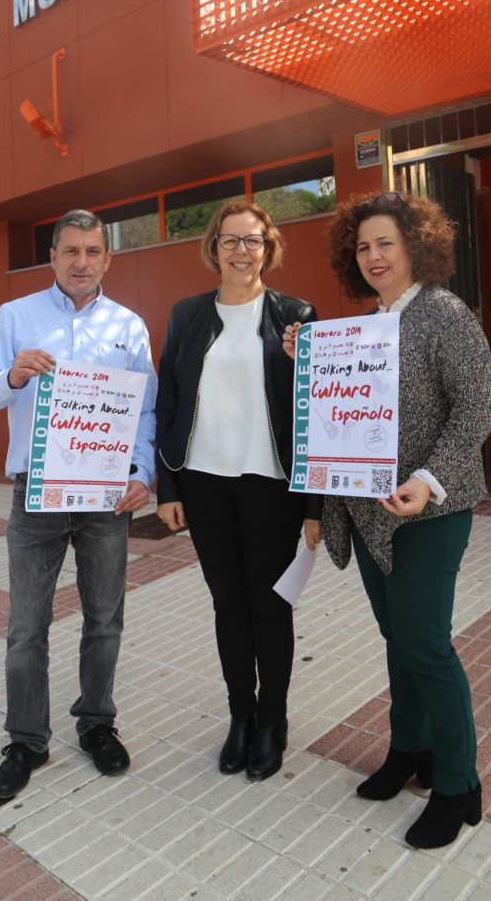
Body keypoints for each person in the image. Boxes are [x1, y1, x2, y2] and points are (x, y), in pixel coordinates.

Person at [291, 190, 491, 850]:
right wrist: (310, 361)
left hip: (431, 512)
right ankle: (412, 751)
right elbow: (334, 422)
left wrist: (426, 479)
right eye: (362, 246)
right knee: (398, 639)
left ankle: (459, 784)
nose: (374, 256)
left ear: (416, 245)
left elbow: (474, 409)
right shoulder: (362, 329)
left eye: (386, 242)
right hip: (371, 514)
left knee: (427, 645)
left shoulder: (444, 313)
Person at [0, 209, 156, 800]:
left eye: (92, 252)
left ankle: (97, 723)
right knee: (27, 625)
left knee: (105, 619)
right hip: (38, 494)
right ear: (52, 257)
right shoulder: (15, 316)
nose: (81, 262)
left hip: (105, 497)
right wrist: (13, 378)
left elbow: (147, 412)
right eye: (70, 251)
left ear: (107, 258)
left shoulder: (131, 326)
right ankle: (26, 739)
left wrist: (144, 473)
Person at [155, 200, 318, 781]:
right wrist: (167, 486)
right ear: (213, 247)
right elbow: (167, 402)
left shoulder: (296, 315)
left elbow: (316, 412)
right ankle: (240, 718)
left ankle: (273, 721)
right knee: (229, 606)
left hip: (271, 486)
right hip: (204, 485)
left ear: (268, 248)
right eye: (231, 241)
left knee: (270, 607)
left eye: (253, 241)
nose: (242, 251)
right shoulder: (186, 314)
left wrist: (313, 506)